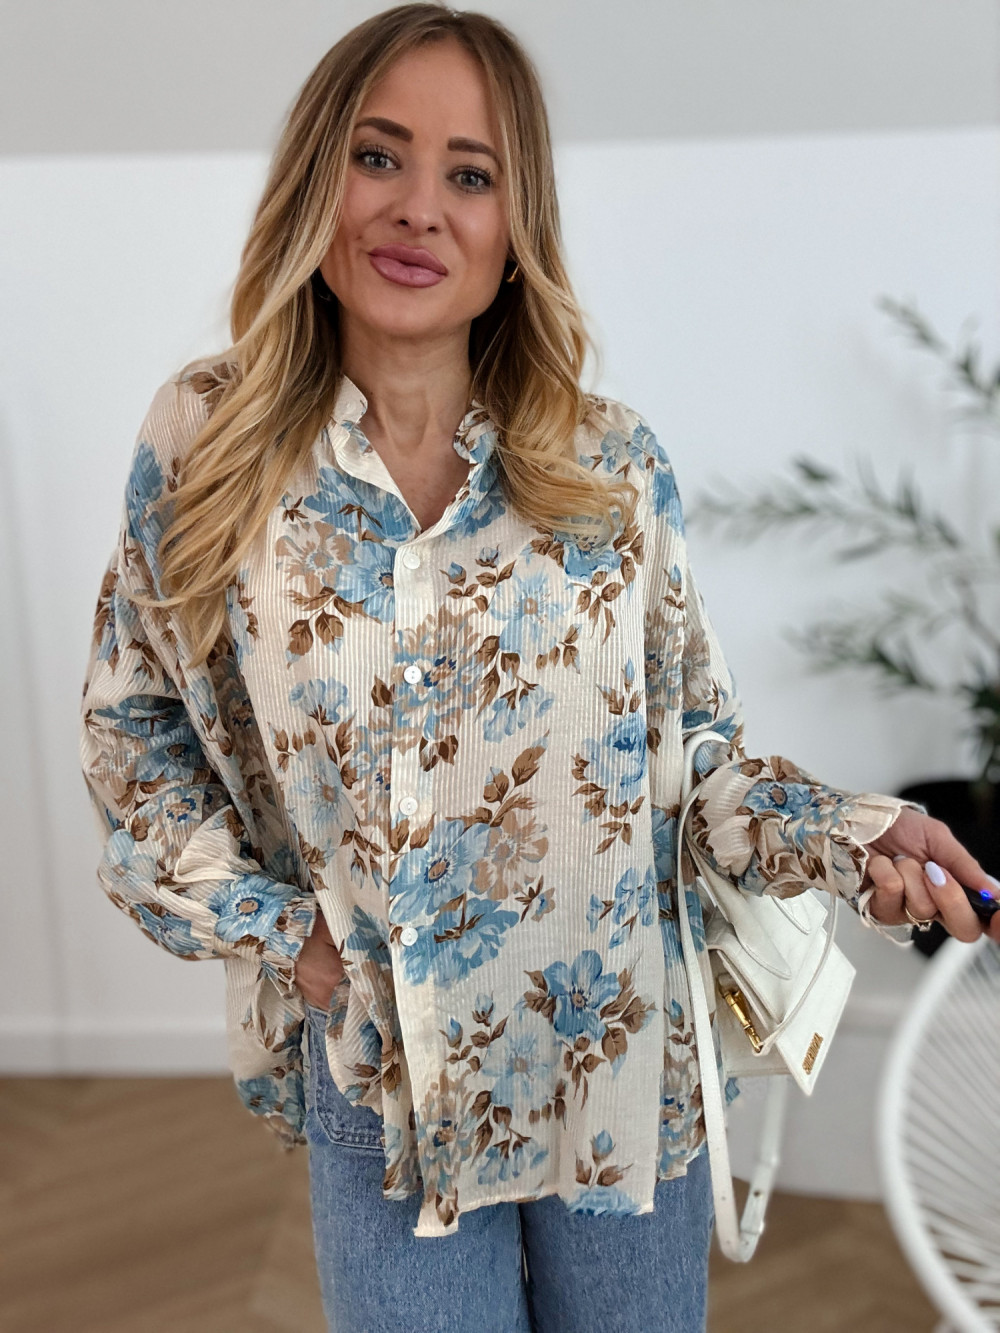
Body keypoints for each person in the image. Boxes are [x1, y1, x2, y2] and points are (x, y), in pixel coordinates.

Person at [78, 5, 1000, 1330]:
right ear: (316, 179)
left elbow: (698, 770)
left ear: (517, 231)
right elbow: (136, 737)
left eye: (472, 175)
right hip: (386, 1086)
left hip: (619, 1075)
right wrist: (299, 942)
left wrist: (855, 835)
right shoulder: (206, 439)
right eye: (379, 155)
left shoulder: (608, 464)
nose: (419, 207)